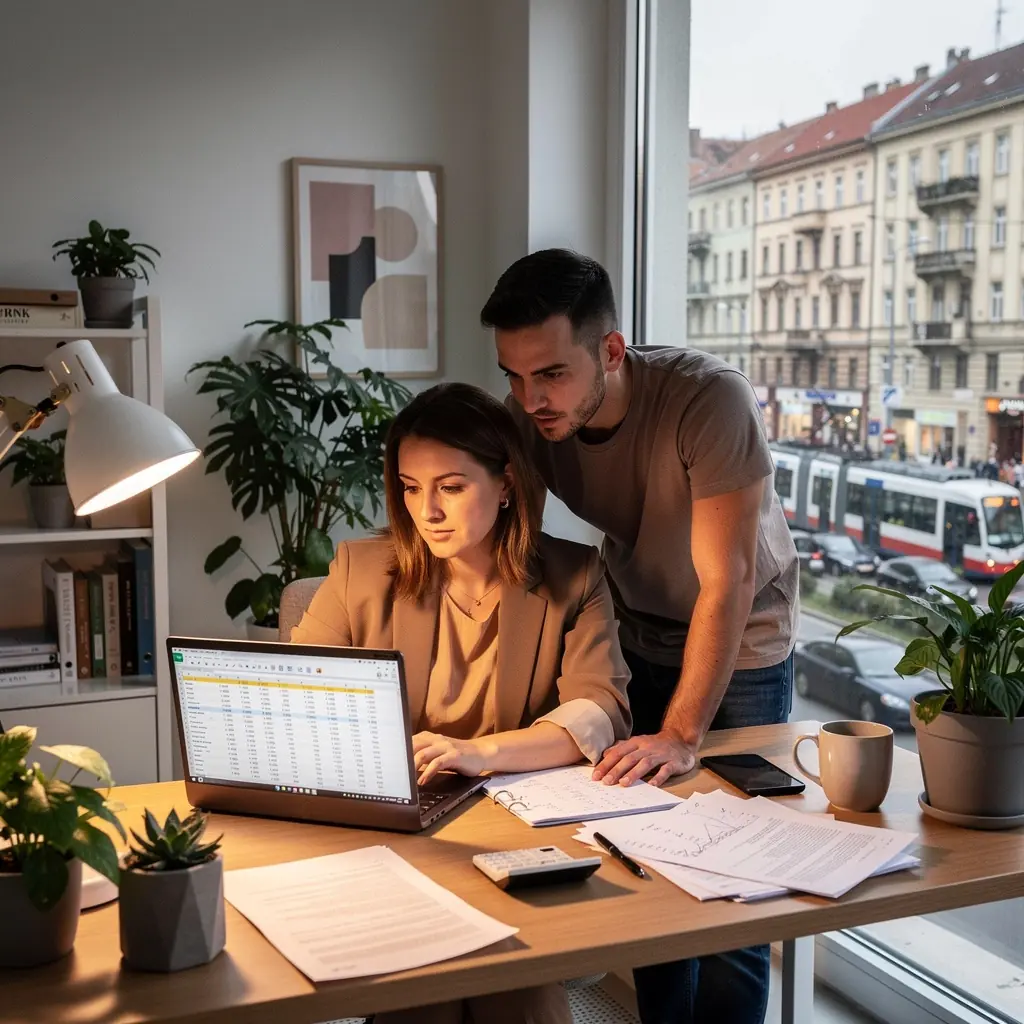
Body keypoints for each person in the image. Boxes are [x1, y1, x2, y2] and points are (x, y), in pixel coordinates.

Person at [481, 249, 799, 1024]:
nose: (530, 399)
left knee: (731, 894)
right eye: (515, 376)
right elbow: (509, 545)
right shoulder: (533, 414)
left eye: (551, 373)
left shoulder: (708, 400)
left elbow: (724, 583)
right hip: (638, 626)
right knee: (650, 874)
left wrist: (683, 733)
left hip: (742, 641)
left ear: (611, 352)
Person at [290, 381, 631, 1024]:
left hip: (512, 835)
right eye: (411, 488)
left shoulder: (575, 574)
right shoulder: (361, 572)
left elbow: (598, 710)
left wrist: (481, 753)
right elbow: (306, 699)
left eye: (450, 485)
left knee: (523, 993)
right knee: (424, 1001)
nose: (428, 511)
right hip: (398, 836)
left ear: (505, 484)